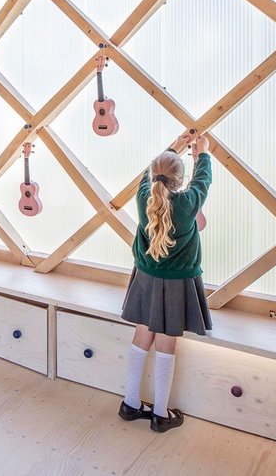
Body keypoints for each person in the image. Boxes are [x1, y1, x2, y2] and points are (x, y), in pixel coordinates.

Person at [118, 132, 213, 433]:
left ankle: (130, 404)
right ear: (180, 181)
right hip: (176, 284)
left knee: (141, 336)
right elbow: (203, 182)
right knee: (166, 344)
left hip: (145, 279)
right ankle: (160, 414)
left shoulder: (144, 196)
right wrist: (203, 155)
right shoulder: (187, 204)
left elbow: (150, 175)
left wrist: (174, 148)